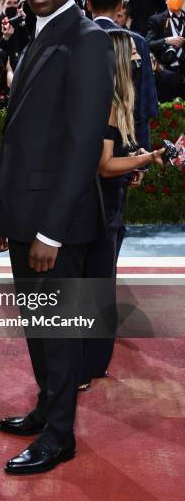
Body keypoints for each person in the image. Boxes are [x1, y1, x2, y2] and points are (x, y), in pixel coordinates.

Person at [0, 0, 115, 475]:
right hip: (25, 217)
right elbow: (22, 140)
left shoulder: (86, 39)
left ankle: (60, 436)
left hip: (56, 226)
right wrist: (5, 215)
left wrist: (51, 232)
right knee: (38, 329)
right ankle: (47, 407)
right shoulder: (37, 36)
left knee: (60, 334)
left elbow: (84, 143)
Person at [81, 30, 165, 388]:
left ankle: (89, 366)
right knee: (95, 288)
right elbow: (103, 165)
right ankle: (81, 369)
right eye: (131, 52)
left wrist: (133, 161)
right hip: (96, 210)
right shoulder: (110, 102)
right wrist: (144, 158)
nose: (137, 57)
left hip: (108, 205)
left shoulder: (120, 100)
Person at [86, 0, 158, 151]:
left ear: (88, 5)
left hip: (78, 150)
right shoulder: (137, 43)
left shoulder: (71, 39)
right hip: (122, 149)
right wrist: (141, 160)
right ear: (120, 7)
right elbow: (144, 107)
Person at [145, 0, 185, 100]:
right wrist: (166, 40)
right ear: (166, 0)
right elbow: (148, 43)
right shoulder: (156, 20)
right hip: (165, 75)